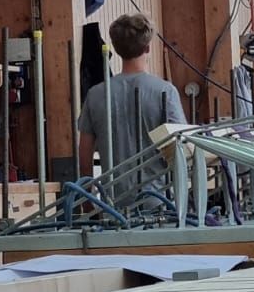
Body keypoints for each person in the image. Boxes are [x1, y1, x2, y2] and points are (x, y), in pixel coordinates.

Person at [78, 14, 186, 191]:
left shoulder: (96, 94)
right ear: (148, 47)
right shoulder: (165, 92)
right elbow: (181, 149)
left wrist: (87, 199)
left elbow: (84, 155)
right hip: (159, 198)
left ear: (116, 48)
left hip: (113, 199)